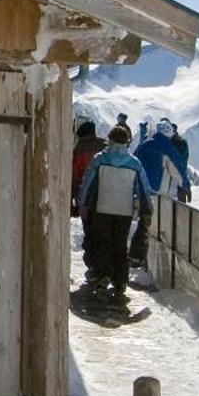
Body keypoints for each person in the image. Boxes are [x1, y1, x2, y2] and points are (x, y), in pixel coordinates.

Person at [76, 124, 151, 304]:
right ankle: (120, 282)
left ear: (110, 140)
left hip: (102, 208)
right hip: (124, 211)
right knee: (119, 246)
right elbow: (144, 189)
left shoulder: (100, 159)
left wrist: (82, 204)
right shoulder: (135, 163)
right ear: (127, 143)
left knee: (102, 244)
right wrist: (146, 209)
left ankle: (102, 277)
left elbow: (87, 183)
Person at [135, 118, 191, 202]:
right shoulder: (168, 149)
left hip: (139, 190)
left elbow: (134, 162)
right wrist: (185, 185)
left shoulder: (143, 145)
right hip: (157, 192)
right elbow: (177, 169)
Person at [71, 120, 104, 216]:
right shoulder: (106, 146)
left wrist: (71, 204)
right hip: (108, 196)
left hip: (85, 198)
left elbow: (73, 177)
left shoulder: (78, 150)